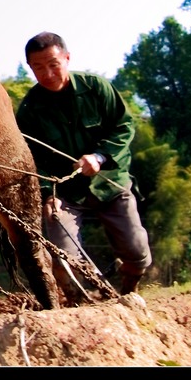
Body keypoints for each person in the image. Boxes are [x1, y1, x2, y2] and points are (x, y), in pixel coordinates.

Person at [15, 31, 151, 304]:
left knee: (137, 255)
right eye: (38, 67)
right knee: (64, 262)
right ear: (30, 68)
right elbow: (29, 160)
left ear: (67, 58)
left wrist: (100, 157)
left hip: (110, 183)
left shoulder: (96, 88)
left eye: (53, 64)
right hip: (65, 193)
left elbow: (124, 126)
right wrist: (47, 194)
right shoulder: (29, 110)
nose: (48, 73)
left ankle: (129, 289)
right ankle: (80, 307)